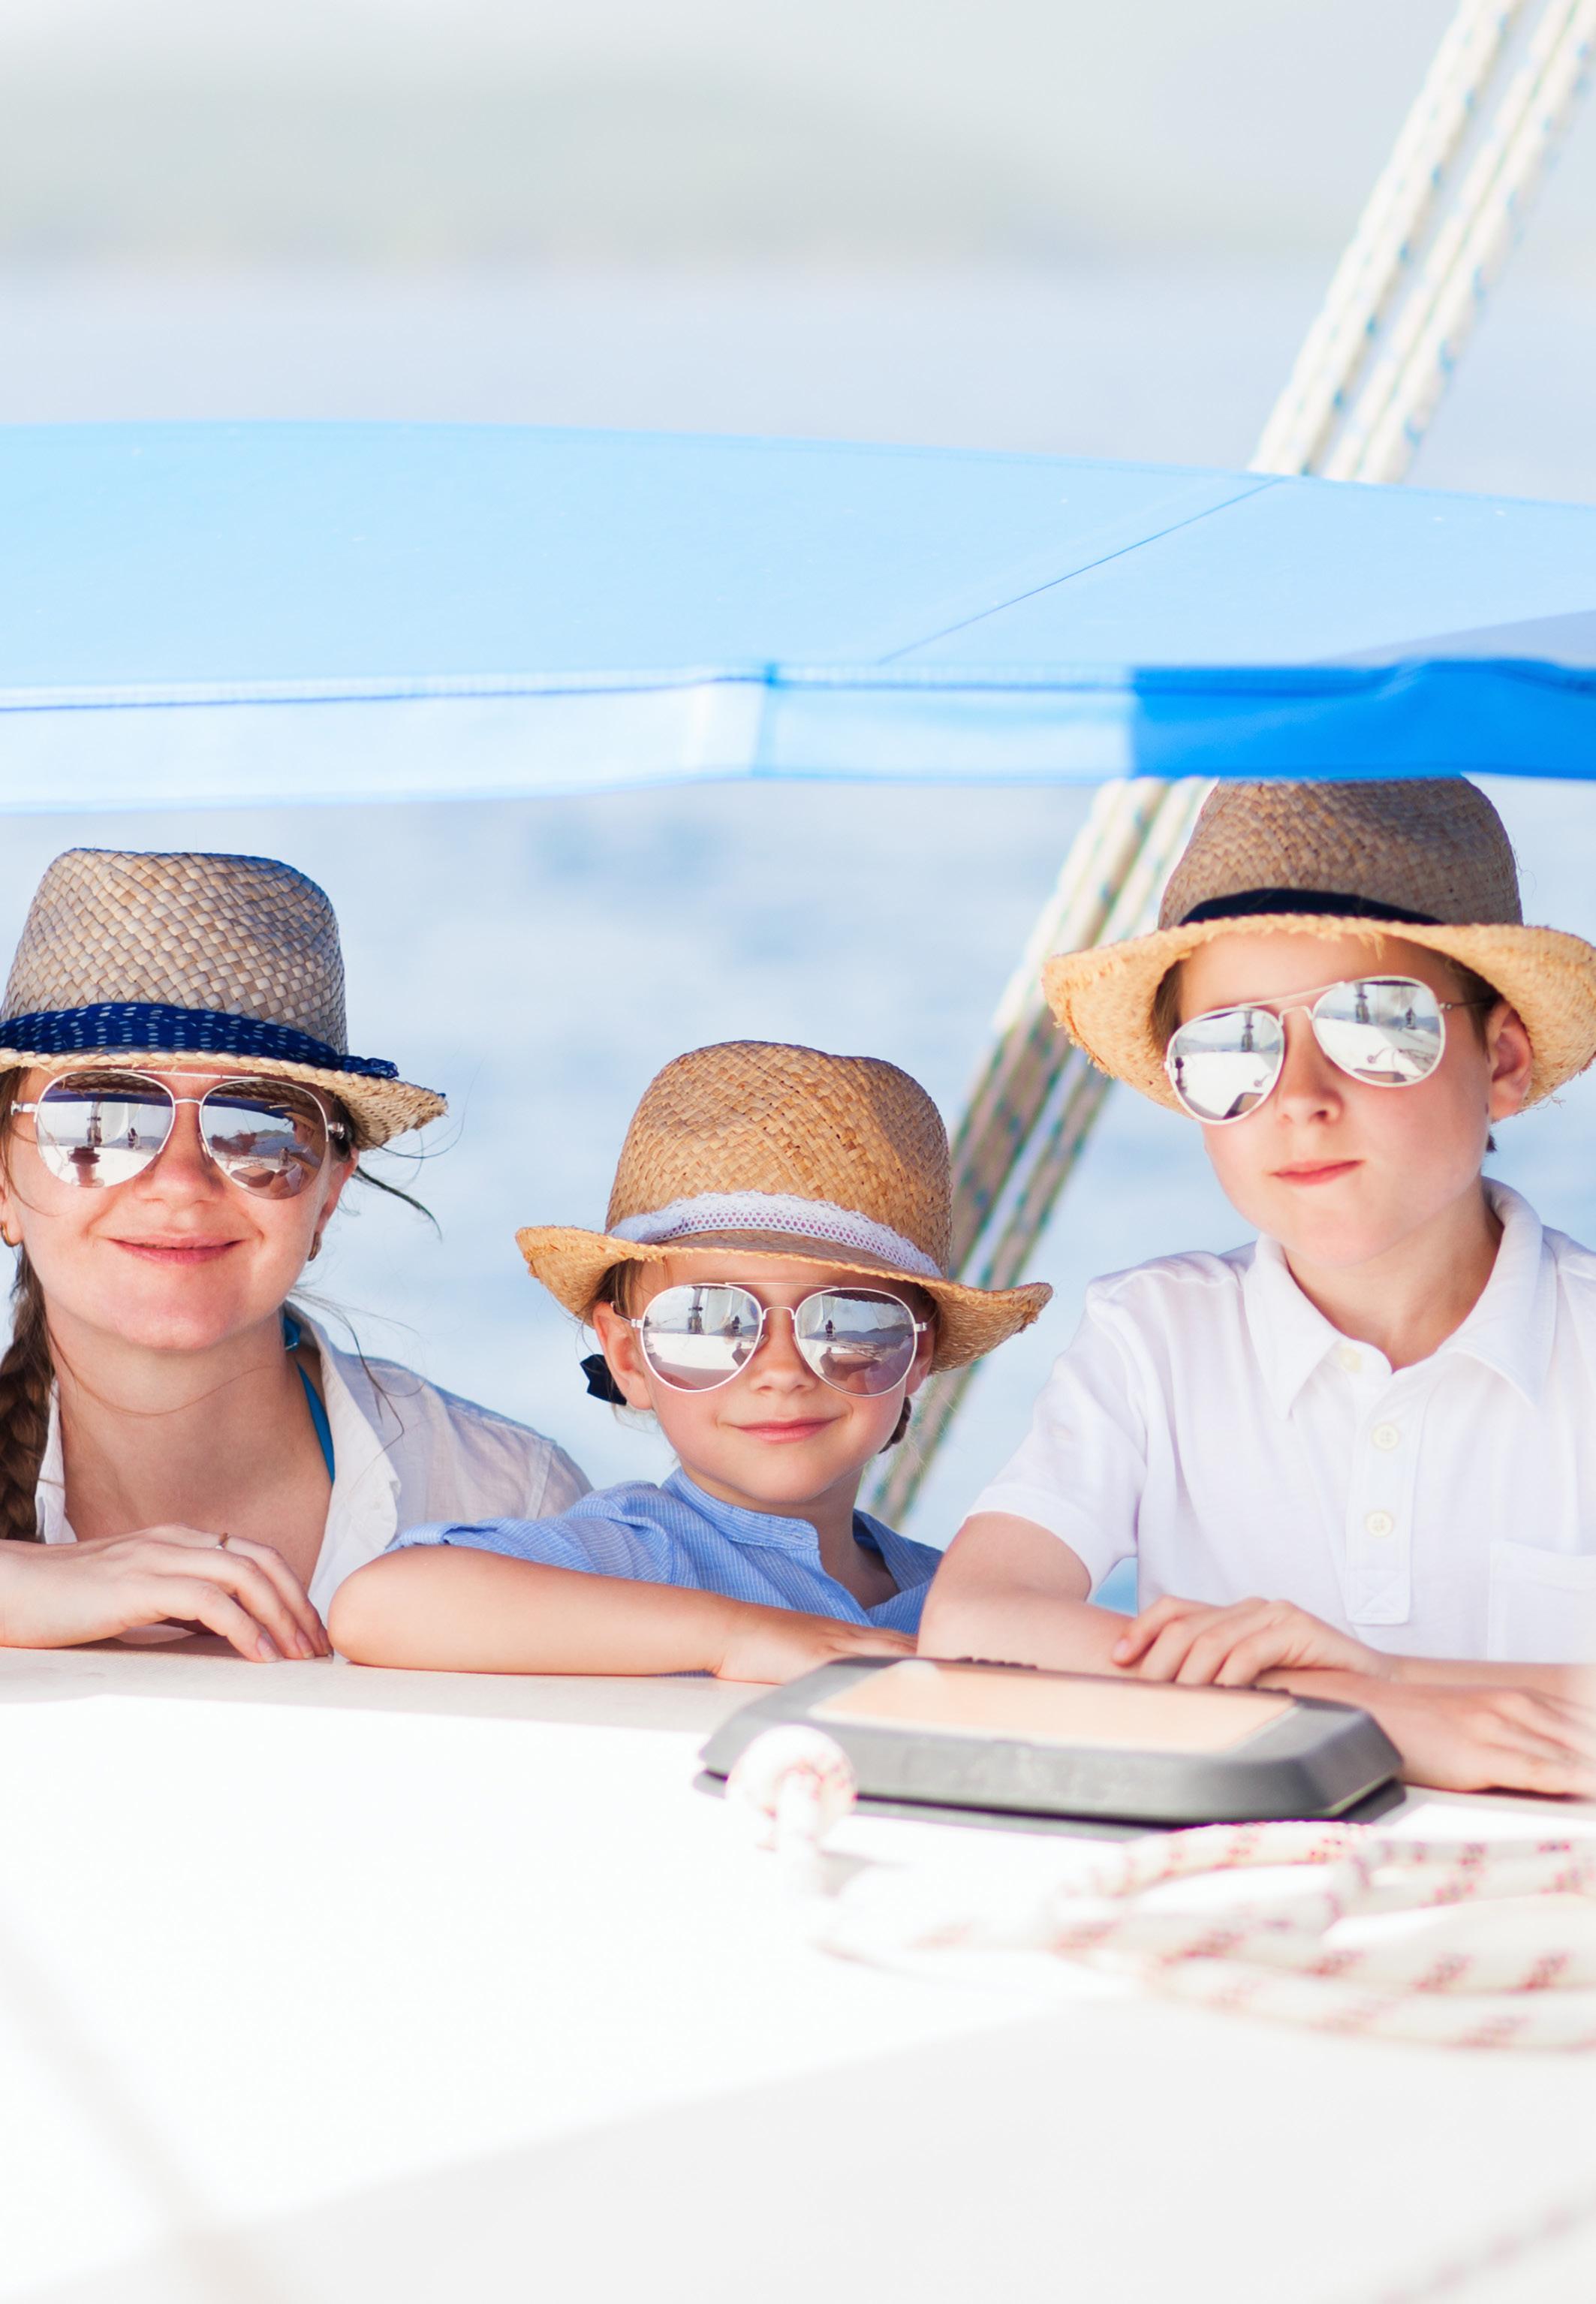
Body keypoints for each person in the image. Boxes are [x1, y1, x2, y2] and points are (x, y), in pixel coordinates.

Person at [920, 777, 1596, 1795]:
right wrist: (1356, 1708)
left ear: (1499, 1060)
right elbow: (975, 1621)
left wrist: (1382, 1681)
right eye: (1232, 1048)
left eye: (1376, 1027)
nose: (1300, 1099)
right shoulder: (1154, 1338)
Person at [0, 845, 586, 1659]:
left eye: (261, 1130)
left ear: (329, 1193)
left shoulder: (515, 1503)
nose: (181, 1182)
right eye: (99, 1121)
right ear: (4, 1183)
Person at [330, 1040, 1049, 1680]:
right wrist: (735, 1636)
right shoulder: (645, 1555)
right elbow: (380, 1605)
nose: (781, 1371)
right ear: (628, 1356)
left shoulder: (957, 1593)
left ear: (918, 1352)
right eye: (708, 1322)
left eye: (847, 1323)